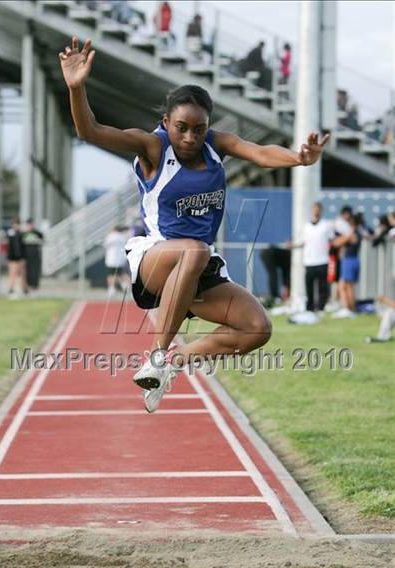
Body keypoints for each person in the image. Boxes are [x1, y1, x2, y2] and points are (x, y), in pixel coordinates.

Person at [59, 36, 329, 412]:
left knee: (256, 329)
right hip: (157, 261)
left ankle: (173, 363)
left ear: (207, 127)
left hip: (199, 267)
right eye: (181, 127)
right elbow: (91, 131)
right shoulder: (153, 147)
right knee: (192, 249)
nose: (189, 137)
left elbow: (263, 154)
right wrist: (77, 88)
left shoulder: (216, 145)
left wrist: (299, 159)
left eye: (198, 129)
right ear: (166, 122)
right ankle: (157, 353)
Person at [287, 202, 334, 324]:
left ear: (321, 210)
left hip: (322, 260)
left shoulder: (326, 225)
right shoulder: (306, 226)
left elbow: (332, 241)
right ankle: (310, 308)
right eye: (314, 209)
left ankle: (321, 308)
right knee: (309, 287)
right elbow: (303, 242)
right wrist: (293, 245)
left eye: (317, 209)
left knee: (322, 286)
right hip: (309, 261)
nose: (316, 211)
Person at [332, 213, 362, 319]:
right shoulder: (355, 232)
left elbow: (336, 243)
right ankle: (347, 308)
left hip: (350, 260)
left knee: (348, 286)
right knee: (343, 285)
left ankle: (351, 309)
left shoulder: (353, 233)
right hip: (351, 260)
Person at [104, 225, 130, 294]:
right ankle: (125, 285)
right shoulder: (123, 237)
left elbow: (106, 245)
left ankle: (112, 288)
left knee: (111, 274)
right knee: (121, 273)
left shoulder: (110, 237)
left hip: (111, 259)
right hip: (120, 259)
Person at [5, 216, 27, 299]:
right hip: (12, 258)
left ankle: (24, 291)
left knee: (22, 275)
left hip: (20, 258)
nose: (15, 225)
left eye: (17, 224)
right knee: (12, 274)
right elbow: (10, 246)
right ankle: (11, 291)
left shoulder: (21, 234)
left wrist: (23, 257)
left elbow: (22, 247)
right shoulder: (10, 233)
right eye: (14, 224)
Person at [22, 218, 44, 291]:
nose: (29, 226)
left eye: (30, 224)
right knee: (28, 270)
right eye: (28, 224)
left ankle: (35, 285)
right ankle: (28, 284)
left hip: (35, 253)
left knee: (35, 269)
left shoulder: (37, 233)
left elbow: (42, 240)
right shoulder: (24, 234)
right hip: (27, 254)